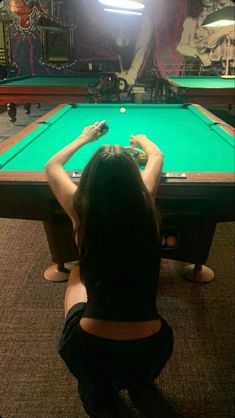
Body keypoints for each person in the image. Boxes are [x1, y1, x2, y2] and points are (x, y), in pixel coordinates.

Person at [45, 120, 173, 418]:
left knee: (77, 272)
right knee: (141, 376)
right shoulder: (146, 203)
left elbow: (52, 166)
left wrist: (84, 138)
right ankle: (139, 384)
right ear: (135, 182)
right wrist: (142, 139)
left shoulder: (80, 209)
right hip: (154, 342)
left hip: (89, 345)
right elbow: (157, 157)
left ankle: (99, 394)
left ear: (88, 182)